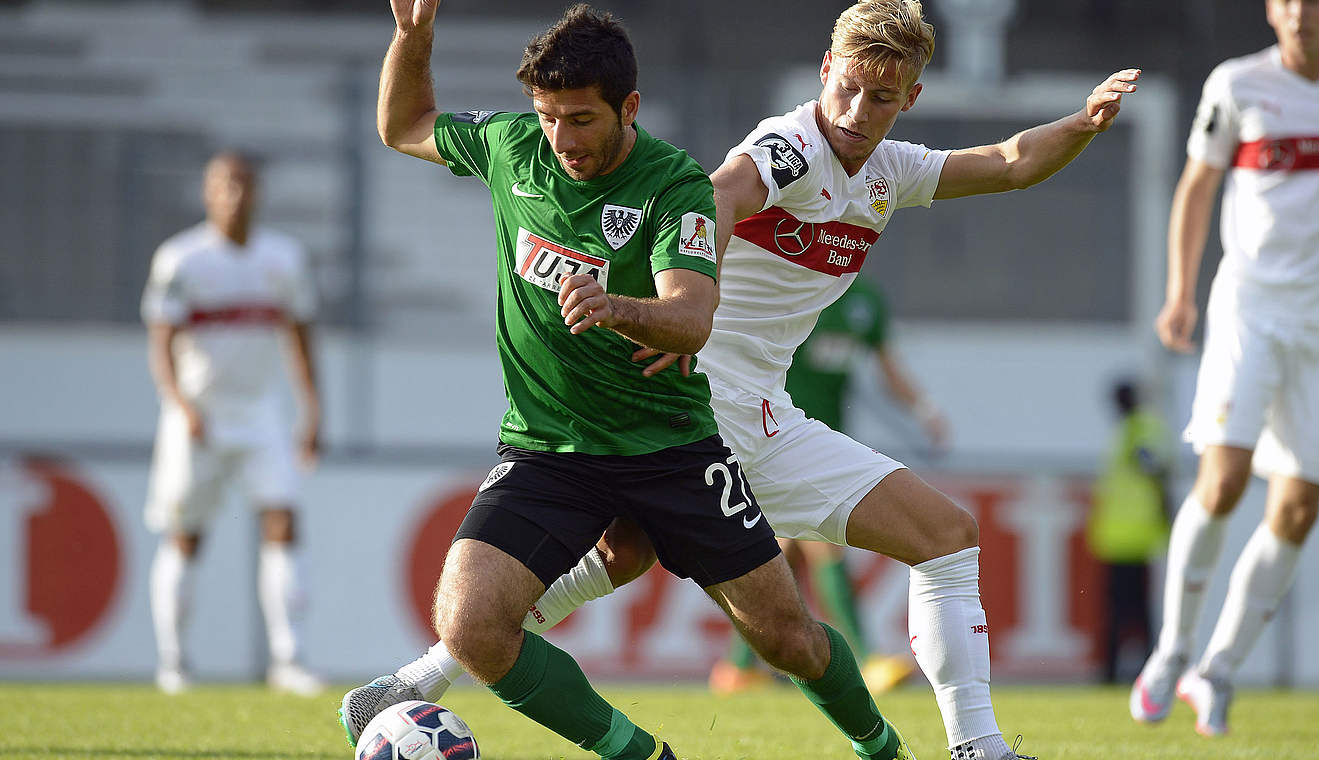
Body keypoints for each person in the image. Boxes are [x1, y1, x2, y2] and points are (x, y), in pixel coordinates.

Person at [346, 2, 1137, 758]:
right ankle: (977, 747)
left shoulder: (892, 170)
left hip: (758, 409)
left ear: (910, 98)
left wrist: (1081, 123)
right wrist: (685, 305)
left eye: (882, 97)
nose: (858, 110)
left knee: (652, 558)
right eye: (847, 87)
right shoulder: (789, 147)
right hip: (697, 394)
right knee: (922, 546)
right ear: (825, 70)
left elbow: (1008, 163)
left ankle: (424, 675)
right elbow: (720, 196)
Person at [363, 3, 914, 760]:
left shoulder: (671, 184)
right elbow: (404, 125)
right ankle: (641, 756)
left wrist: (613, 305)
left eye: (581, 119)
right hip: (548, 446)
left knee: (788, 638)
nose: (562, 139)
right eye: (549, 116)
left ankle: (884, 749)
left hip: (674, 448)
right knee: (471, 624)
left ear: (629, 108)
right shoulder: (511, 147)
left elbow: (691, 318)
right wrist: (412, 38)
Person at [1129, 0, 1319, 738]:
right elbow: (1197, 187)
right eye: (1286, 0)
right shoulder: (1237, 84)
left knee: (1298, 508)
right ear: (1271, 11)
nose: (1300, 13)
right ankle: (1169, 653)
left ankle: (1217, 670)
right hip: (1250, 312)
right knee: (1223, 480)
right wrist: (1179, 292)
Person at [709, 277, 948, 696]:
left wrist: (926, 411)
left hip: (826, 447)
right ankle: (868, 656)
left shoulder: (866, 300)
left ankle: (737, 668)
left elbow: (887, 367)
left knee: (784, 552)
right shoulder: (796, 286)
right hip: (775, 442)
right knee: (820, 545)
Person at [141, 151, 324, 696]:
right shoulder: (181, 259)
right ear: (207, 193)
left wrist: (311, 409)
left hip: (261, 412)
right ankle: (173, 664)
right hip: (199, 416)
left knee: (284, 520)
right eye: (224, 185)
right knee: (186, 535)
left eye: (244, 184)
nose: (235, 195)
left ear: (258, 192)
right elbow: (161, 342)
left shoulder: (283, 257)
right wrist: (180, 403)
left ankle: (288, 660)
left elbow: (300, 336)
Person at [1086, 380, 1170, 685]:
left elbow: (1151, 467)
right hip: (1128, 537)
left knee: (1124, 612)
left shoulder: (1136, 430)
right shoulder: (1133, 429)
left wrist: (1165, 509)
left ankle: (1119, 672)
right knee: (1134, 611)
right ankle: (1138, 670)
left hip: (1130, 538)